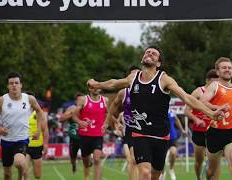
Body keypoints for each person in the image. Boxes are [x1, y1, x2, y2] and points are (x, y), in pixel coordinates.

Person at [87, 46, 224, 180]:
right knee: (145, 172)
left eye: (154, 53)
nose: (149, 54)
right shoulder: (133, 78)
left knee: (155, 175)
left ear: (158, 63)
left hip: (161, 135)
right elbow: (114, 83)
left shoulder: (164, 79)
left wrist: (211, 114)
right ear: (142, 58)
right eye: (147, 52)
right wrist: (97, 84)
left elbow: (187, 98)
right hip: (139, 133)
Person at [0, 72, 45, 180]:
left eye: (16, 83)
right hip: (6, 141)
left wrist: (38, 129)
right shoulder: (1, 101)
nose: (14, 85)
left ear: (21, 85)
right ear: (7, 86)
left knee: (19, 162)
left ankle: (22, 175)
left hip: (22, 140)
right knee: (7, 174)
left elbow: (40, 112)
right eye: (11, 83)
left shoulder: (29, 99)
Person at [105, 65, 141, 180]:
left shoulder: (149, 91)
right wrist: (109, 122)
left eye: (138, 74)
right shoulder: (123, 93)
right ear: (128, 77)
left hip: (146, 129)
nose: (136, 77)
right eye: (133, 74)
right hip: (129, 130)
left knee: (145, 162)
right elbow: (113, 106)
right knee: (132, 160)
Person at [184, 69, 220, 180]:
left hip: (215, 131)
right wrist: (196, 119)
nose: (216, 84)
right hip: (199, 131)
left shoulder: (220, 92)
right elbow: (186, 111)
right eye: (214, 81)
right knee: (199, 160)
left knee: (215, 161)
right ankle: (198, 178)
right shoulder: (198, 92)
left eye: (217, 82)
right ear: (208, 80)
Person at [73, 87, 108, 180]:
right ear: (89, 89)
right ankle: (87, 170)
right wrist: (79, 122)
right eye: (93, 87)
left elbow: (109, 114)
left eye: (97, 87)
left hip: (98, 135)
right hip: (85, 136)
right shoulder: (83, 99)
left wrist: (107, 124)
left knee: (97, 159)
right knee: (86, 163)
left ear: (100, 88)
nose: (95, 89)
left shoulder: (105, 100)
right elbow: (74, 115)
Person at [23, 92, 49, 180]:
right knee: (24, 171)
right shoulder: (21, 113)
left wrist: (45, 144)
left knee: (37, 175)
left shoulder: (40, 114)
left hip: (37, 146)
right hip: (25, 145)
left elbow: (45, 130)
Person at [59, 92, 84, 174]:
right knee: (73, 158)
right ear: (76, 101)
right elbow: (61, 119)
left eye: (82, 99)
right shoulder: (71, 108)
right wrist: (72, 114)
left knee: (87, 157)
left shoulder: (87, 108)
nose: (81, 101)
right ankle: (74, 165)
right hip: (74, 136)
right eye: (79, 100)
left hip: (85, 136)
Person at [166, 109, 187, 180]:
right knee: (161, 159)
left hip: (172, 136)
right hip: (161, 136)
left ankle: (171, 170)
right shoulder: (158, 109)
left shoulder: (171, 111)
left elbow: (176, 120)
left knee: (173, 152)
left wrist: (182, 130)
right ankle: (162, 173)